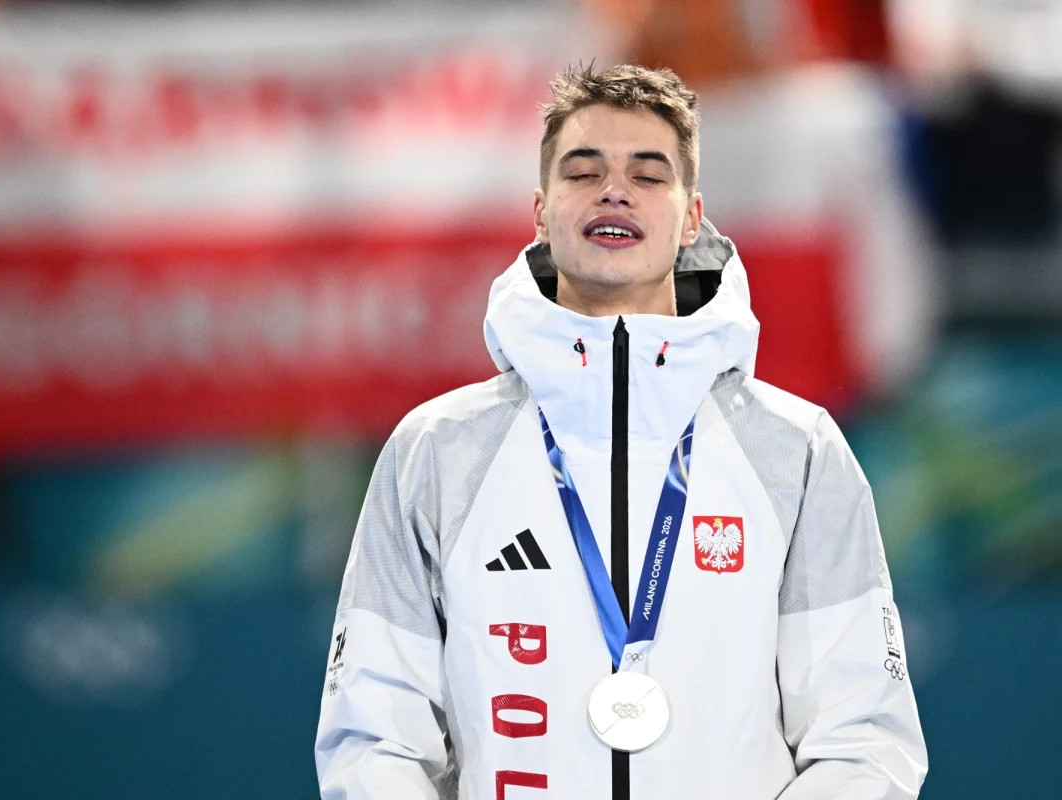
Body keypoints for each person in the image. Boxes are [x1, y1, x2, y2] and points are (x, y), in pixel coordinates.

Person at [314, 63, 927, 799]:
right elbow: (374, 736)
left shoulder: (796, 451)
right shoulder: (438, 452)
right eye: (583, 171)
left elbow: (864, 735)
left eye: (647, 173)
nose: (615, 190)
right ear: (540, 212)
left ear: (692, 216)